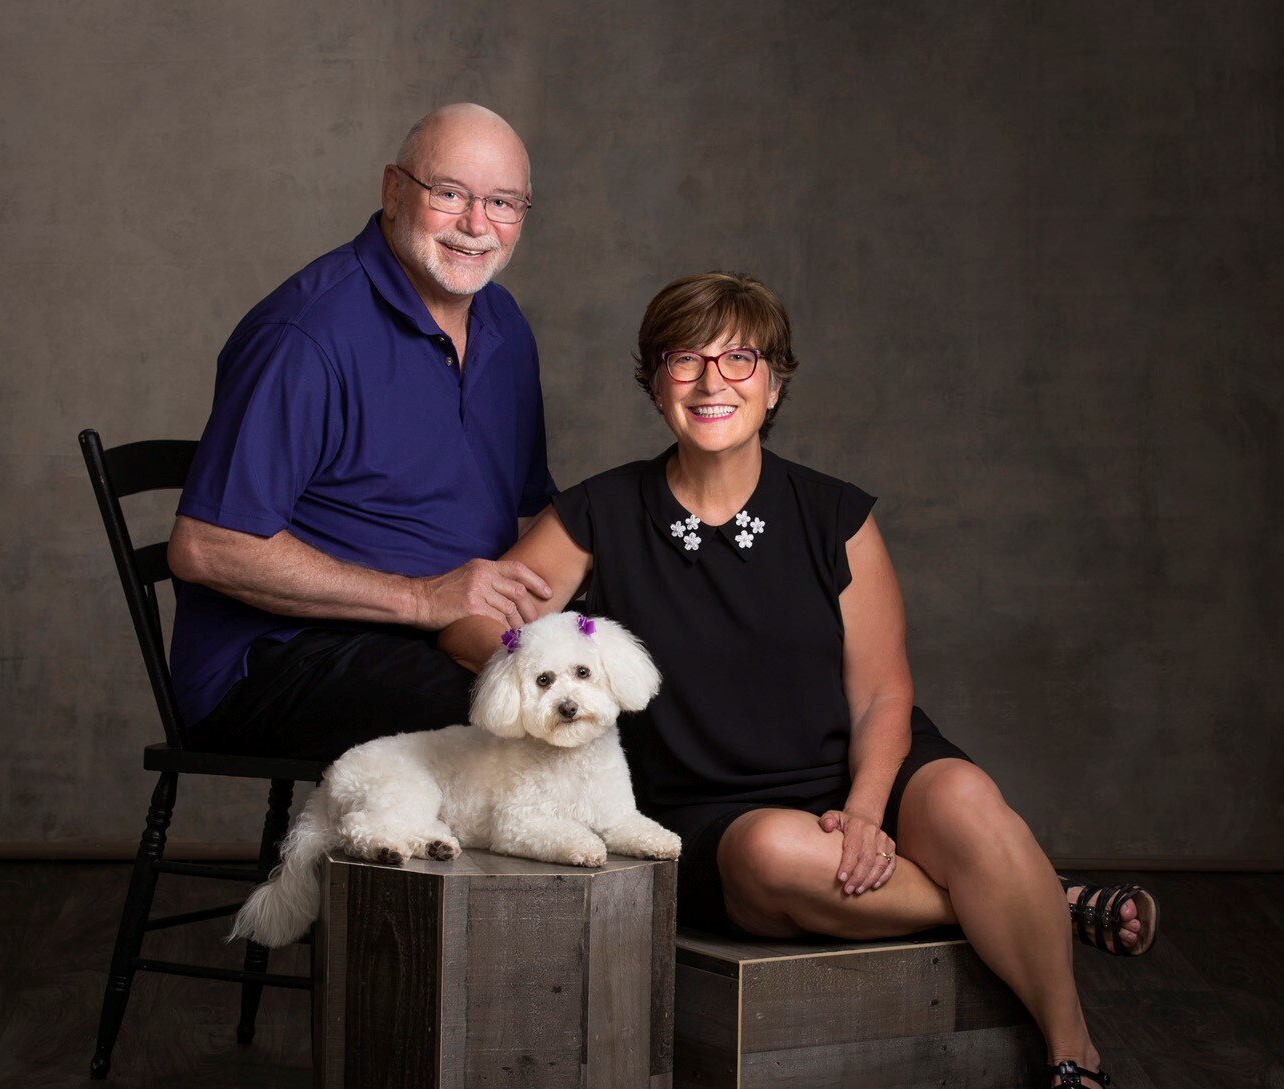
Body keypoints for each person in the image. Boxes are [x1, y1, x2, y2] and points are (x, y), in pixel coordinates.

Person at [439, 272, 1158, 1089]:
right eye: (685, 359)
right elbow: (470, 625)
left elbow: (884, 691)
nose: (712, 382)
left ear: (775, 383)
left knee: (963, 797)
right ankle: (1033, 898)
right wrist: (550, 643)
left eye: (739, 358)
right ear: (654, 382)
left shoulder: (834, 514)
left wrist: (862, 806)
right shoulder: (596, 513)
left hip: (864, 766)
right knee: (778, 854)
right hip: (716, 808)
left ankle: (1074, 1055)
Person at [166, 103, 555, 761]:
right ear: (394, 189)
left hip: (445, 633)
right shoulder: (307, 333)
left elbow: (527, 516)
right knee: (499, 716)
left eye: (502, 203)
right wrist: (421, 598)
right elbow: (206, 547)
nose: (475, 226)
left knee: (626, 685)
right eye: (450, 194)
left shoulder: (503, 323)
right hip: (279, 657)